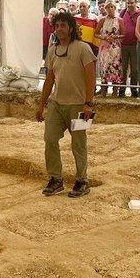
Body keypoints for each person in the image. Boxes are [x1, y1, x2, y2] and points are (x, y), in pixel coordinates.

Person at [36, 12, 95, 198]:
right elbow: (49, 79)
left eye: (63, 25)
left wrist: (88, 103)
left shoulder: (83, 48)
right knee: (50, 139)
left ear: (71, 28)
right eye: (57, 25)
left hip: (78, 105)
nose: (59, 29)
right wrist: (41, 105)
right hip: (56, 103)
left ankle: (82, 180)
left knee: (79, 143)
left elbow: (91, 78)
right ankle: (55, 179)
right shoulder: (52, 50)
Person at [95, 1, 124, 96]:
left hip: (115, 47)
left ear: (115, 8)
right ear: (105, 9)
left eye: (112, 7)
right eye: (108, 7)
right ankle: (103, 91)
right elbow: (96, 33)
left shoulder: (119, 20)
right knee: (104, 68)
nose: (110, 9)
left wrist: (116, 37)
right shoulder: (102, 20)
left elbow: (124, 34)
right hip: (105, 48)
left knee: (116, 68)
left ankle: (115, 92)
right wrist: (103, 37)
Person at [118, 0, 140, 98]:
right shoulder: (123, 13)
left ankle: (134, 90)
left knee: (135, 69)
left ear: (136, 2)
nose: (130, 5)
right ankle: (122, 89)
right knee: (123, 68)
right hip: (123, 45)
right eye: (128, 3)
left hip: (136, 45)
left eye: (132, 2)